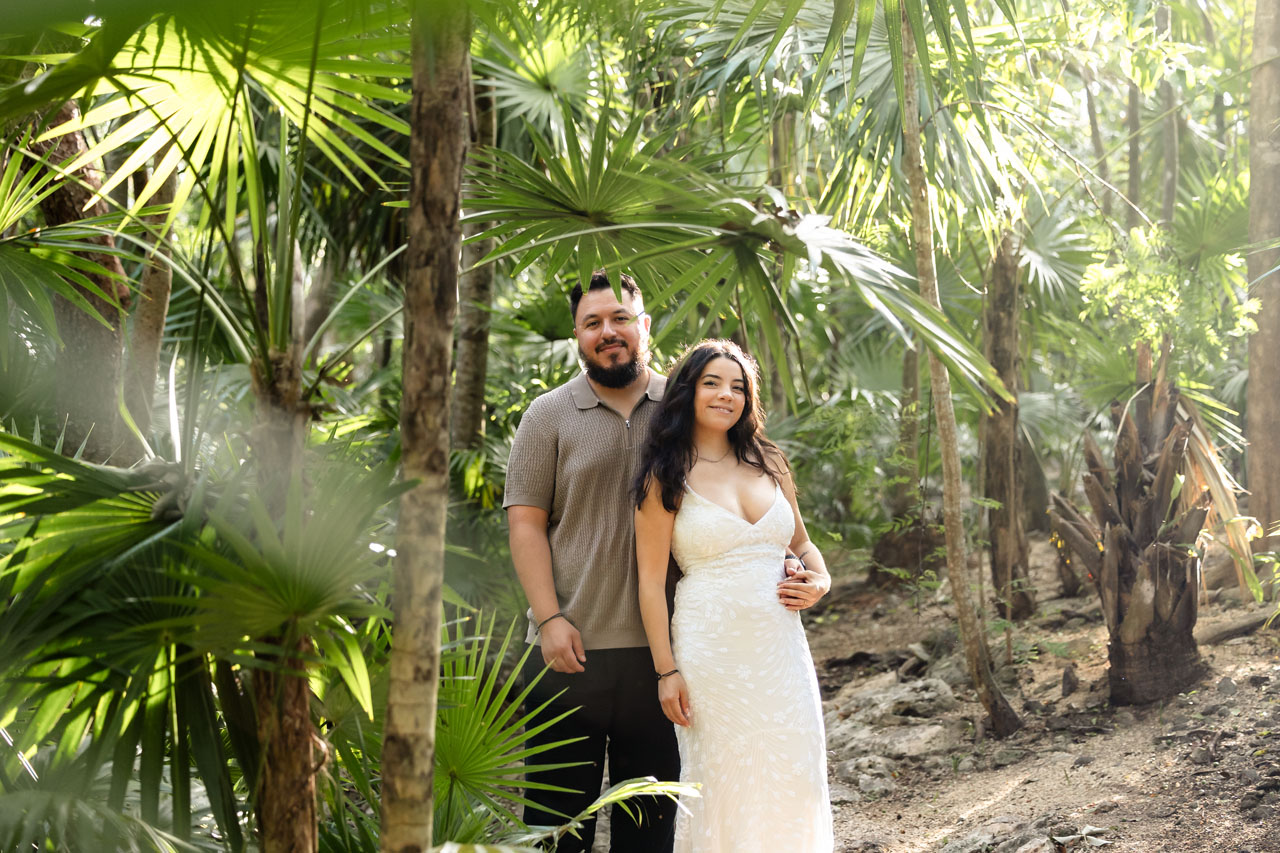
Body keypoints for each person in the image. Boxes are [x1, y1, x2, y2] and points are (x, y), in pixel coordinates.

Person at [633, 339, 835, 853]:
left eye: (738, 387)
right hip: (710, 656)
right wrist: (666, 671)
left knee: (794, 772)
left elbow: (802, 543)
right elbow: (650, 583)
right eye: (713, 383)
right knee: (724, 783)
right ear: (688, 391)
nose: (727, 394)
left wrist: (820, 581)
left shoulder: (770, 461)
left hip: (782, 652)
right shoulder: (665, 476)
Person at [504, 270, 680, 852]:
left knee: (649, 833)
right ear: (577, 335)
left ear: (644, 325)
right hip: (566, 654)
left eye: (620, 318)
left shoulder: (684, 408)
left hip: (665, 657)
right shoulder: (547, 415)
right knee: (557, 833)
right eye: (593, 322)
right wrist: (549, 618)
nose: (608, 332)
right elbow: (526, 524)